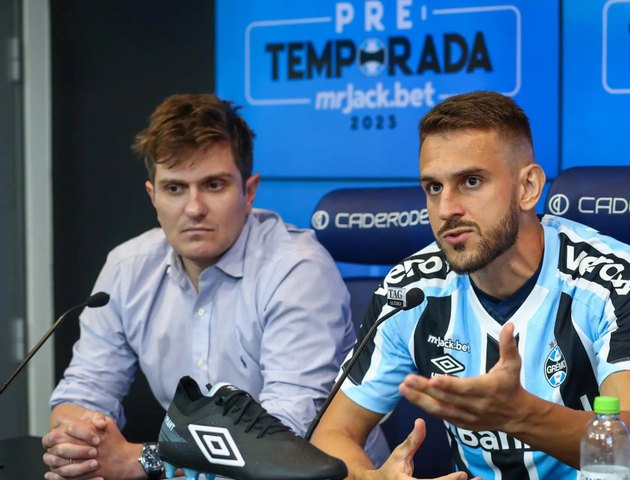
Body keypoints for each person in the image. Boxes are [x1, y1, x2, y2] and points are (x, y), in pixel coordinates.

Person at [310, 91, 630, 480]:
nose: (446, 208)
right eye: (433, 187)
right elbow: (331, 435)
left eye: (470, 181)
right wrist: (371, 479)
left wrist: (520, 415)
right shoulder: (412, 292)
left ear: (528, 188)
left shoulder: (613, 282)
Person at [41, 93, 388, 480]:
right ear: (152, 196)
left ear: (249, 190)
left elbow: (285, 435)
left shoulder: (297, 268)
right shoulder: (127, 268)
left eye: (214, 185)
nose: (194, 208)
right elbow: (84, 391)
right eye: (175, 188)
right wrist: (79, 444)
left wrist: (144, 460)